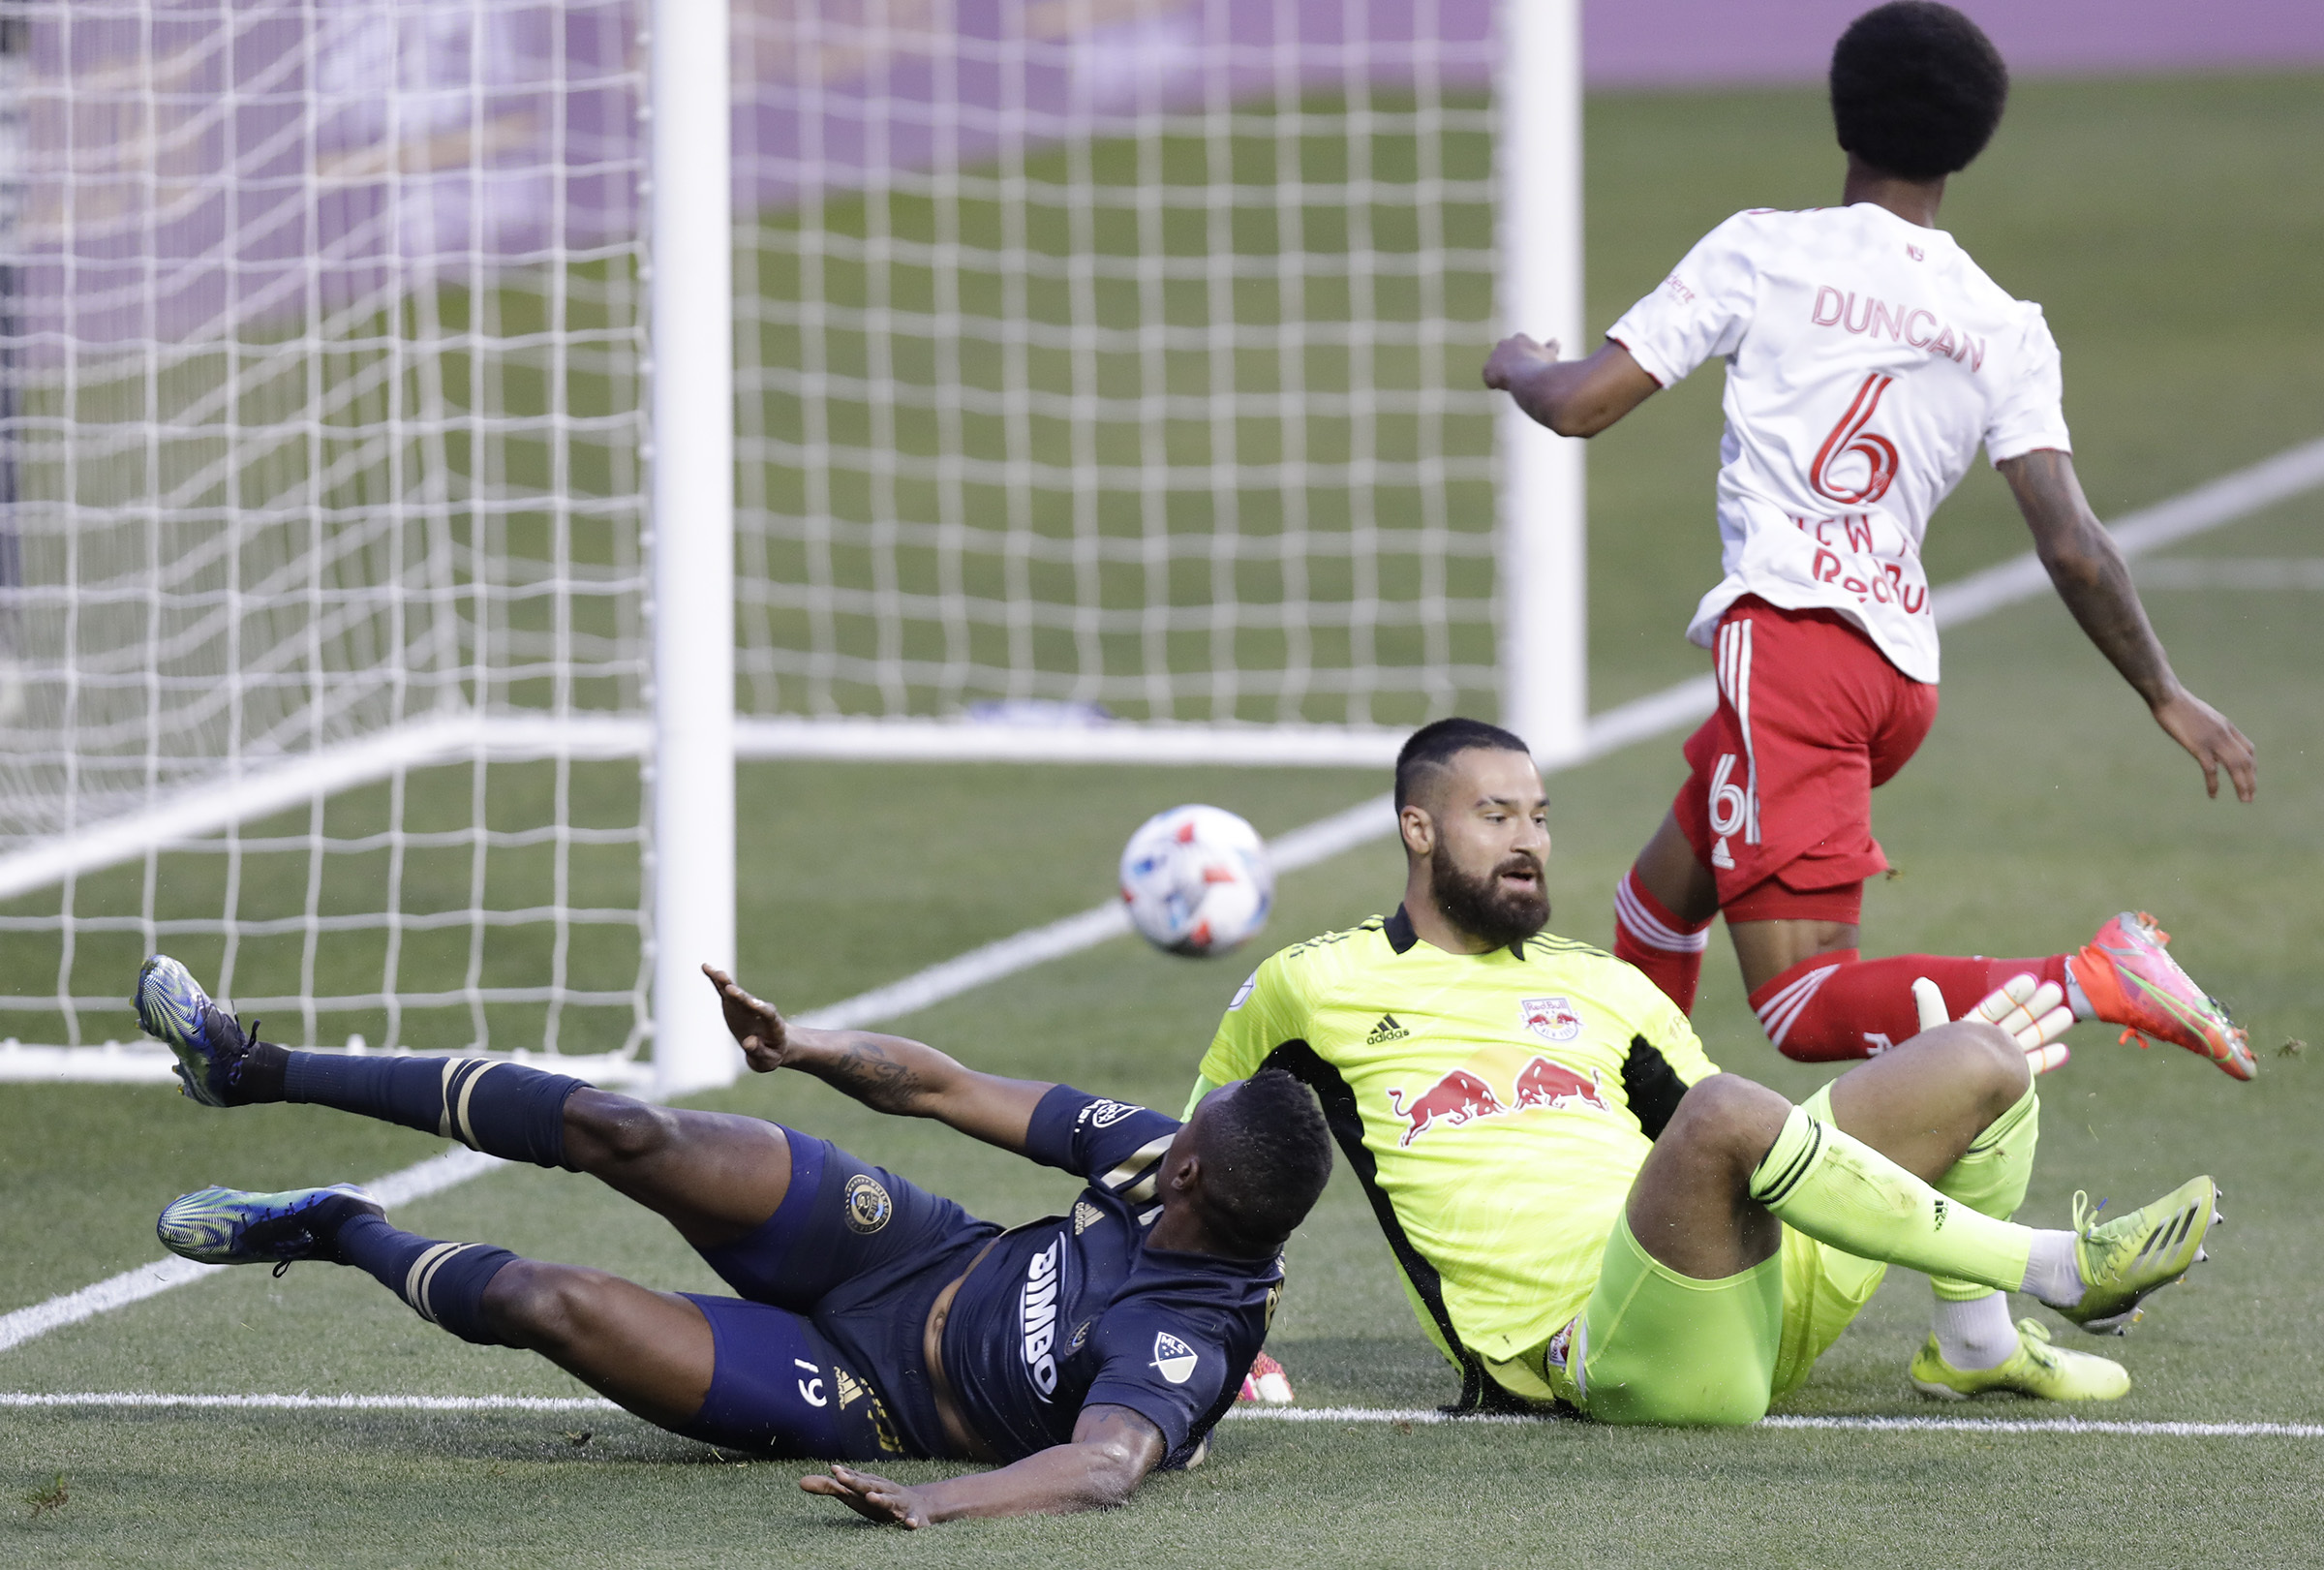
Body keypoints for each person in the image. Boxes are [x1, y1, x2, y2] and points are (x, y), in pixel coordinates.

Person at [1483, 1, 2257, 1081]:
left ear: (1843, 116)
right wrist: (2165, 691)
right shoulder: (2003, 322)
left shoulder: (1765, 251)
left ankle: (2090, 976)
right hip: (1892, 674)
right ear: (1971, 144)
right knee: (1659, 900)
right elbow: (2074, 542)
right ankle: (1635, 1142)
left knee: (1803, 1004)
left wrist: (1517, 361)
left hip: (1791, 650)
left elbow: (1580, 404)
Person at [1189, 720, 2222, 1417]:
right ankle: (2053, 1266)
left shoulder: (1603, 985)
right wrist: (1215, 1330)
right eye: (1493, 815)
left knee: (1983, 1055)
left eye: (1540, 816)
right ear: (1418, 828)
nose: (1529, 840)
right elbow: (1196, 1151)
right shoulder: (1314, 985)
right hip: (1598, 1348)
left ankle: (1976, 1343)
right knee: (1733, 1111)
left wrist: (1929, 1079)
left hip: (1739, 1292)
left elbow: (1761, 1148)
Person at [135, 954, 1331, 1528]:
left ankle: (340, 1226)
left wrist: (938, 1503)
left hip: (866, 1396)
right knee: (621, 1126)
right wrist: (802, 1045)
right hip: (904, 1250)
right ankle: (250, 1068)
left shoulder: (1191, 1331)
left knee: (551, 1300)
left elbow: (1108, 1464)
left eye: (1197, 1124)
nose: (1182, 1117)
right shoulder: (1147, 1156)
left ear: (1193, 1175)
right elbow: (945, 1088)